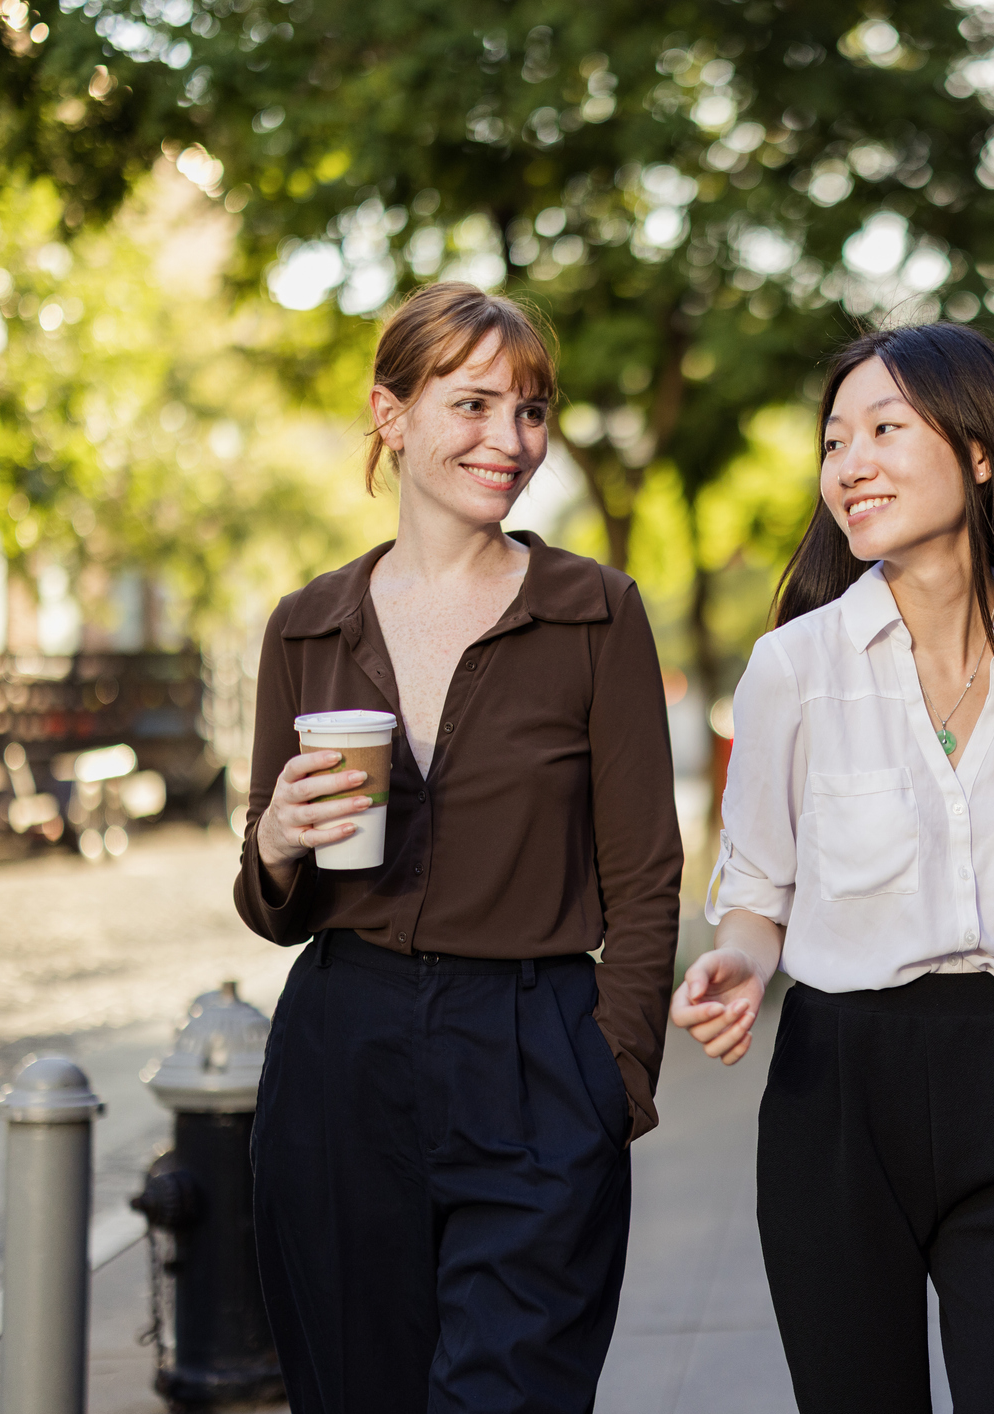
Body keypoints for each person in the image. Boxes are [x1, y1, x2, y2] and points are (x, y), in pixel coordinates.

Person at [671, 322, 994, 1413]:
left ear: (982, 447)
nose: (848, 462)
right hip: (836, 1098)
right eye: (834, 438)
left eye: (884, 429)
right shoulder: (792, 668)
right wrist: (739, 963)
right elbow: (757, 894)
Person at [234, 281, 682, 1414]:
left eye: (530, 412)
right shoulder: (306, 623)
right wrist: (278, 838)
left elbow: (643, 871)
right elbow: (270, 902)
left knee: (513, 1392)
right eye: (472, 404)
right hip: (343, 1046)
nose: (509, 440)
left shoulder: (593, 610)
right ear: (391, 414)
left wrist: (612, 1075)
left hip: (534, 1047)